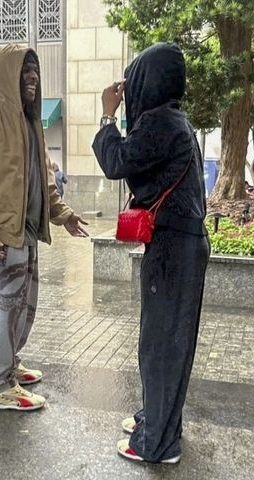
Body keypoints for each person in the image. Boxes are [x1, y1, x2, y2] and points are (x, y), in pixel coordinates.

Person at [92, 43, 210, 464]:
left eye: (135, 77)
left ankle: (157, 444)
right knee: (166, 341)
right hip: (180, 245)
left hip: (173, 249)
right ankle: (158, 422)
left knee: (161, 344)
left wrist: (108, 114)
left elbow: (117, 160)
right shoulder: (173, 121)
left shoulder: (161, 122)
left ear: (149, 80)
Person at [0, 44, 88, 411]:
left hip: (27, 234)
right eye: (25, 70)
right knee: (1, 310)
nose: (32, 77)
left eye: (35, 70)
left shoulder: (32, 124)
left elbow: (44, 183)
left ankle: (9, 364)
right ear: (7, 75)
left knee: (23, 308)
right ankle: (0, 387)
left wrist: (64, 215)